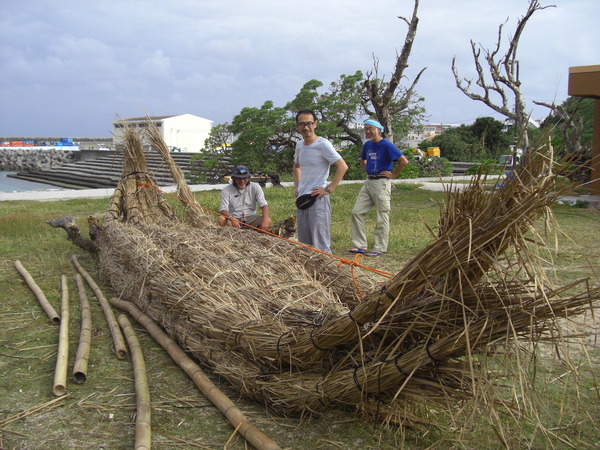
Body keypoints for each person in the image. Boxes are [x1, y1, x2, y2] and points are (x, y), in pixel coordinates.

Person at [349, 119, 408, 257]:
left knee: (382, 215)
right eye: (366, 129)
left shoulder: (386, 145)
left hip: (381, 183)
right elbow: (363, 159)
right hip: (369, 181)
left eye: (371, 128)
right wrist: (367, 169)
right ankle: (360, 244)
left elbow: (403, 161)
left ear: (378, 130)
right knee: (356, 212)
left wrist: (393, 175)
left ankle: (379, 247)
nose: (368, 131)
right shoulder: (368, 145)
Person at [293, 109, 348, 253]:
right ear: (297, 126)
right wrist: (297, 187)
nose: (306, 127)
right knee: (304, 246)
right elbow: (296, 166)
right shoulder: (299, 145)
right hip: (302, 199)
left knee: (320, 244)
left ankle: (328, 267)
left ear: (315, 124)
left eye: (309, 123)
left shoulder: (323, 144)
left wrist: (328, 189)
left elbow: (342, 166)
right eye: (302, 124)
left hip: (318, 199)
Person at [218, 165, 272, 231]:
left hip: (250, 217)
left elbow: (263, 205)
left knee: (268, 220)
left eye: (245, 178)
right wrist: (232, 218)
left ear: (249, 178)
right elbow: (223, 209)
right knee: (221, 219)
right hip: (234, 218)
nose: (242, 181)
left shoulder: (255, 187)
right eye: (239, 178)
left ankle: (256, 235)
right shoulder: (226, 189)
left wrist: (265, 219)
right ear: (234, 178)